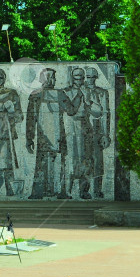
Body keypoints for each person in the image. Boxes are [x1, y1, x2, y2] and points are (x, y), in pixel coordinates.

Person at [25, 68, 81, 199]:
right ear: (44, 79)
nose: (53, 80)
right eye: (51, 77)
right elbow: (31, 118)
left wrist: (78, 97)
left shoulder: (58, 94)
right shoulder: (37, 95)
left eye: (53, 77)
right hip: (46, 135)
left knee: (53, 163)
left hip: (54, 136)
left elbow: (71, 111)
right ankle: (43, 192)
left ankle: (54, 191)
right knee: (48, 163)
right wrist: (29, 138)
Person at [0, 68, 24, 196]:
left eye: (1, 78)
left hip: (4, 131)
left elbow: (20, 116)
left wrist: (11, 110)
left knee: (7, 161)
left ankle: (9, 187)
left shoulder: (11, 93)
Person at [81, 67, 111, 198]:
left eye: (92, 77)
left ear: (96, 77)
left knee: (98, 162)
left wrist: (106, 134)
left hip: (97, 129)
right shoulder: (80, 91)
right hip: (82, 130)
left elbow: (105, 113)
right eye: (88, 77)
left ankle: (97, 189)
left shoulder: (102, 92)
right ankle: (84, 189)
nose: (90, 80)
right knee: (85, 161)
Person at [63, 67, 87, 198]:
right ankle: (68, 190)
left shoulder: (87, 91)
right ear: (72, 78)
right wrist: (79, 94)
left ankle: (82, 191)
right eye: (77, 77)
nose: (80, 80)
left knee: (83, 159)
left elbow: (97, 111)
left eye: (82, 77)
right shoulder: (66, 91)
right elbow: (70, 110)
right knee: (71, 158)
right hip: (70, 126)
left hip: (84, 127)